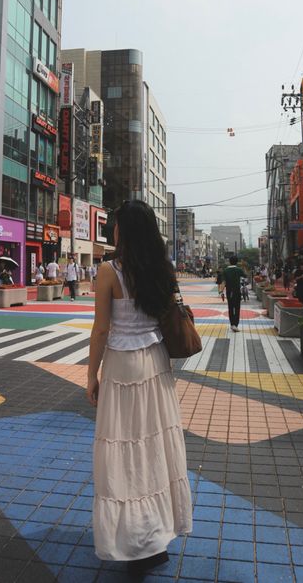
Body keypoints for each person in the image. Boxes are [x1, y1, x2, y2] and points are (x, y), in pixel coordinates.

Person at [87, 200, 192, 574]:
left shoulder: (108, 271)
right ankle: (156, 537)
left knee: (126, 451)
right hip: (156, 363)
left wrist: (90, 375)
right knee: (155, 447)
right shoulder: (162, 268)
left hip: (123, 365)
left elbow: (101, 329)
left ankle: (133, 542)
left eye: (116, 226)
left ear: (124, 231)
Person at [222, 255, 246, 332]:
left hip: (229, 291)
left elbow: (223, 282)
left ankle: (232, 324)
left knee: (230, 308)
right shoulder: (239, 270)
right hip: (237, 291)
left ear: (229, 261)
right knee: (237, 308)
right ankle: (235, 325)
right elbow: (245, 275)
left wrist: (222, 292)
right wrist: (243, 267)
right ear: (236, 262)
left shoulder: (225, 270)